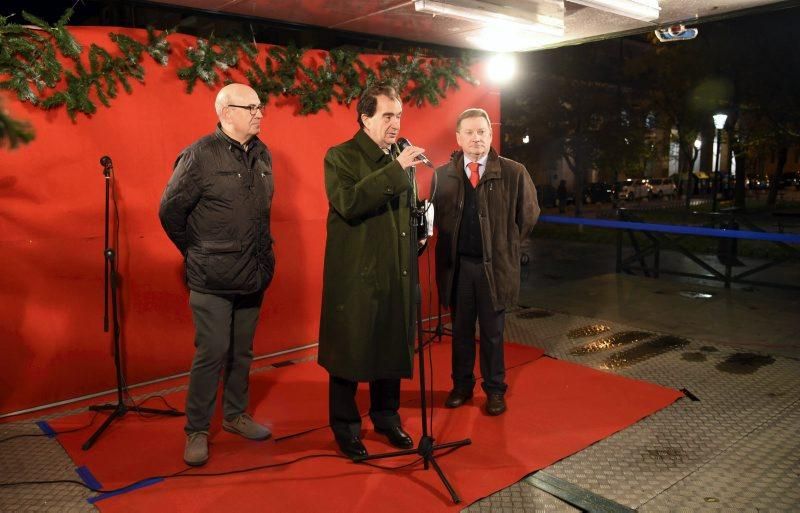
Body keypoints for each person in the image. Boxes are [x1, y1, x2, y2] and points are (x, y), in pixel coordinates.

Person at [159, 83, 276, 466]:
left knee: (242, 352)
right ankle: (196, 430)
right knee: (212, 353)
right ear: (227, 112)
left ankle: (235, 415)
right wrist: (198, 253)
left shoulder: (262, 153)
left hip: (254, 274)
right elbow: (170, 213)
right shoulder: (198, 156)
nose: (260, 113)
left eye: (261, 106)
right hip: (211, 278)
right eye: (252, 107)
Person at [318, 84, 428, 459]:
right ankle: (346, 428)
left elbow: (404, 213)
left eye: (398, 115)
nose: (396, 123)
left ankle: (386, 416)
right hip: (356, 276)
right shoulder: (340, 157)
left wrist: (422, 228)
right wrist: (397, 169)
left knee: (391, 343)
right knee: (348, 350)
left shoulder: (400, 157)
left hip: (396, 269)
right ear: (365, 118)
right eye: (387, 115)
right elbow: (348, 203)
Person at [432, 108, 539, 416]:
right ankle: (461, 387)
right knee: (461, 332)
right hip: (459, 268)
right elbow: (436, 220)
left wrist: (507, 244)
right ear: (458, 137)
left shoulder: (514, 172)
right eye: (469, 132)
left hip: (495, 268)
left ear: (491, 135)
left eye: (482, 131)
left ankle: (494, 390)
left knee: (493, 333)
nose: (476, 137)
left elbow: (529, 215)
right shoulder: (443, 176)